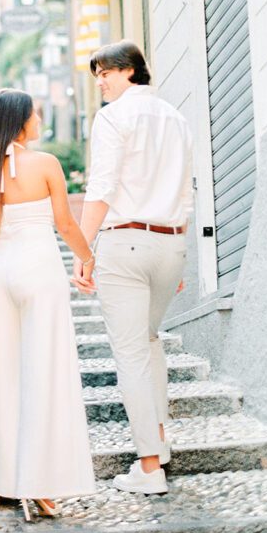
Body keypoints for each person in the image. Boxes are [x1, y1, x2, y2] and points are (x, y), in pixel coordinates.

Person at [0, 88, 97, 521]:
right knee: (45, 373)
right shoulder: (45, 165)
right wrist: (87, 255)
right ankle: (39, 484)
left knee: (7, 374)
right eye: (34, 112)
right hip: (38, 269)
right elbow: (64, 223)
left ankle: (6, 484)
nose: (39, 118)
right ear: (21, 121)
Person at [72, 41, 193, 496]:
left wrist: (83, 252)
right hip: (170, 244)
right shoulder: (176, 118)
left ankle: (148, 468)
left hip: (125, 242)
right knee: (148, 342)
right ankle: (158, 446)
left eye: (105, 72)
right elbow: (185, 193)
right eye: (97, 74)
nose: (100, 82)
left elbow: (101, 188)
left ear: (129, 71)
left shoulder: (113, 116)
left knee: (131, 354)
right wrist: (178, 251)